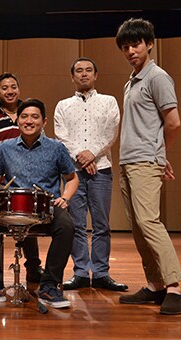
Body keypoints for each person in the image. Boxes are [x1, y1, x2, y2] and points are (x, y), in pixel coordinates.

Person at [0, 99, 79, 308]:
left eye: (35, 117)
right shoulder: (5, 148)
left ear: (44, 121)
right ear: (17, 120)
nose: (29, 121)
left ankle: (49, 286)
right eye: (24, 116)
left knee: (67, 226)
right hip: (12, 207)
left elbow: (72, 178)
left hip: (46, 208)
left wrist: (65, 198)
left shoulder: (56, 148)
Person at [115, 18, 181, 315]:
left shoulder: (157, 77)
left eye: (136, 44)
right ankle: (155, 285)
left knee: (149, 223)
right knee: (138, 228)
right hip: (128, 160)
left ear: (150, 44)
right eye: (126, 47)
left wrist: (159, 153)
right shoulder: (131, 81)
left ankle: (175, 288)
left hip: (145, 160)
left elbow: (174, 122)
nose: (131, 51)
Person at [54, 58, 128, 292]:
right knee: (75, 225)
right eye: (79, 71)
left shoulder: (109, 101)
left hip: (101, 169)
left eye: (88, 70)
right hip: (73, 173)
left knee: (101, 224)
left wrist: (92, 154)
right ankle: (80, 273)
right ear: (72, 77)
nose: (84, 74)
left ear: (96, 75)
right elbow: (61, 135)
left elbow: (111, 132)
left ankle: (101, 273)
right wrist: (81, 157)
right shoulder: (63, 105)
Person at [0, 73, 43, 283]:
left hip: (26, 183)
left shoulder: (29, 114)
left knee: (29, 225)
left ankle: (33, 268)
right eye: (4, 88)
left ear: (19, 89)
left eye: (13, 87)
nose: (10, 91)